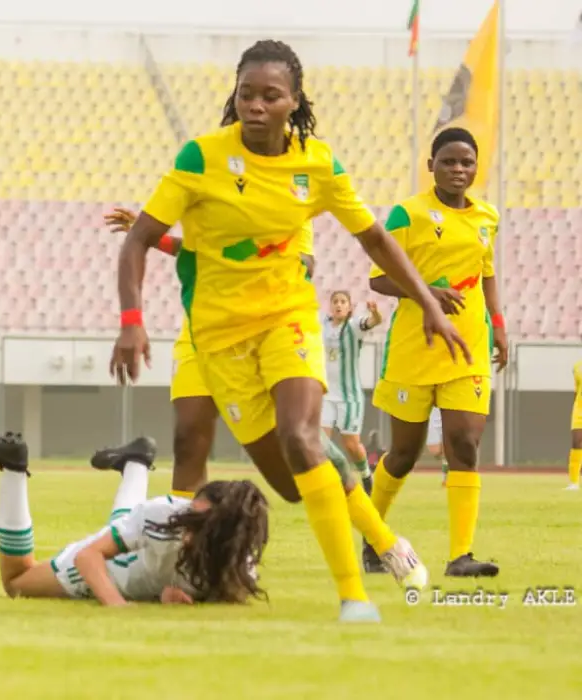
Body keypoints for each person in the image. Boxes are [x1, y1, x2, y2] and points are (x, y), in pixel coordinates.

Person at [110, 40, 467, 621]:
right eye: (246, 94)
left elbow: (375, 237)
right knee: (297, 481)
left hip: (287, 319)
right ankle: (377, 528)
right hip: (218, 338)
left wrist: (425, 300)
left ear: (293, 101)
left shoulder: (316, 164)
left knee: (301, 438)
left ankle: (356, 594)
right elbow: (139, 240)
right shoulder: (201, 157)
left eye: (270, 95)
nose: (255, 105)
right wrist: (131, 322)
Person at [105, 207, 366, 498]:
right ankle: (182, 536)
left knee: (316, 458)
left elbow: (306, 264)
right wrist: (153, 237)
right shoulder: (221, 196)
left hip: (266, 338)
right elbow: (198, 252)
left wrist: (252, 253)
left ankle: (379, 536)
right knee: (189, 439)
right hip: (209, 336)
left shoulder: (288, 204)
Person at [365, 127, 503, 578]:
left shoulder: (487, 217)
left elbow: (487, 275)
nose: (459, 170)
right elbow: (378, 279)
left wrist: (498, 326)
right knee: (404, 454)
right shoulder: (409, 214)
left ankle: (460, 556)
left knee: (464, 443)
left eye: (466, 162)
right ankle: (372, 536)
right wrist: (428, 293)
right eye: (449, 162)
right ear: (431, 166)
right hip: (415, 347)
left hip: (468, 347)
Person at [0, 423, 268, 606]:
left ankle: (136, 462)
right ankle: (13, 468)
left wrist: (167, 593)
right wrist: (117, 605)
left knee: (129, 522)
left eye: (198, 526)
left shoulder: (238, 571)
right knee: (16, 582)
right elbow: (88, 558)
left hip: (134, 556)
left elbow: (222, 591)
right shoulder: (165, 516)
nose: (186, 528)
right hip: (109, 570)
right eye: (188, 519)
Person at [321, 290, 382, 491]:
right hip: (326, 395)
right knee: (321, 442)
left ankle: (365, 474)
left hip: (349, 397)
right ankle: (330, 482)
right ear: (330, 306)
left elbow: (373, 322)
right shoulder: (323, 326)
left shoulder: (354, 326)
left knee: (351, 445)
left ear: (349, 307)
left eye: (343, 301)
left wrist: (375, 313)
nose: (339, 305)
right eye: (335, 301)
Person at [568, 361, 582, 490]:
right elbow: (577, 390)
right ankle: (574, 482)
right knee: (576, 442)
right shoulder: (577, 366)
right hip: (579, 410)